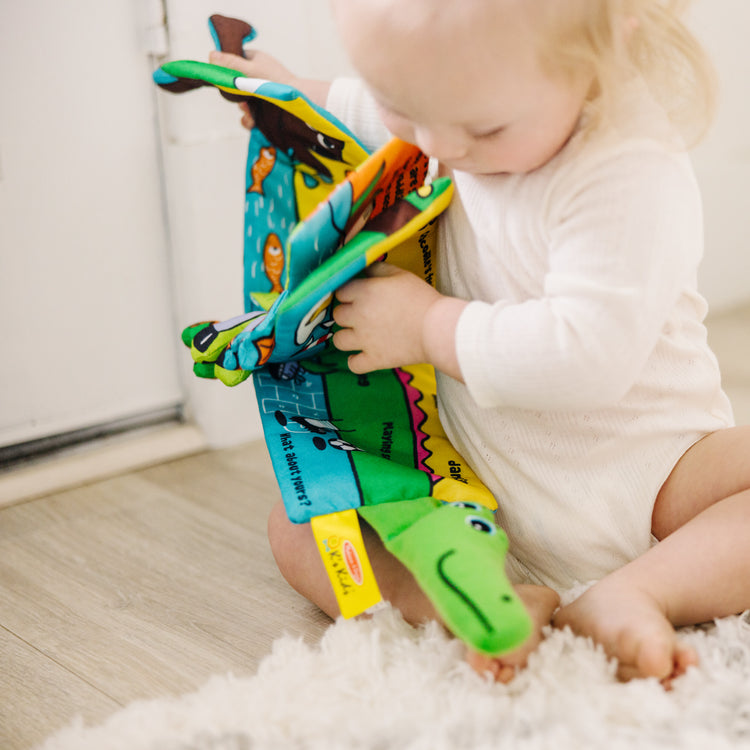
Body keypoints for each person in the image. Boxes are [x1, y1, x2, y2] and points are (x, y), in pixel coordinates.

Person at [211, 0, 750, 684]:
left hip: (651, 475)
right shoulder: (453, 96)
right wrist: (286, 96)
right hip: (466, 495)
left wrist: (429, 326)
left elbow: (586, 354)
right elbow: (355, 107)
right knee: (297, 531)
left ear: (603, 51)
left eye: (484, 129)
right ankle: (475, 600)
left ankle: (644, 589)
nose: (436, 147)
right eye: (400, 106)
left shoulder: (629, 169)